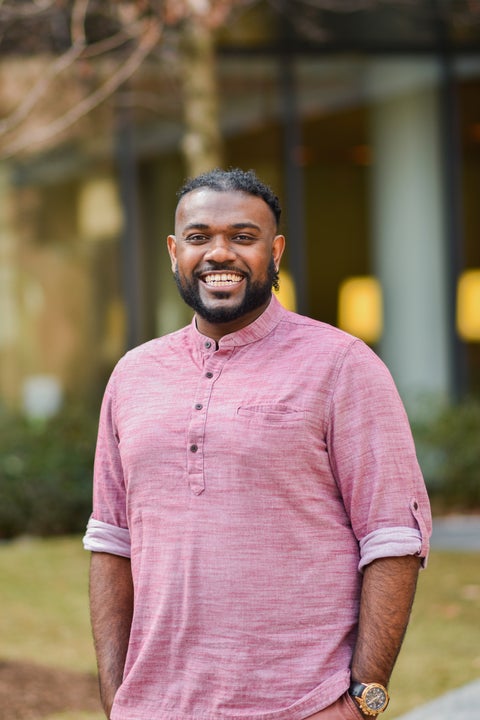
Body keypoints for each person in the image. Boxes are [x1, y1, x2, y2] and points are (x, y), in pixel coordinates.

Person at [83, 168, 432, 720]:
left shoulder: (342, 366)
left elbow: (393, 539)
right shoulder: (132, 375)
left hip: (300, 705)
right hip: (154, 707)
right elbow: (111, 542)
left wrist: (362, 700)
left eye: (243, 237)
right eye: (199, 238)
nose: (219, 253)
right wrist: (116, 698)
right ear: (175, 252)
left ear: (276, 251)